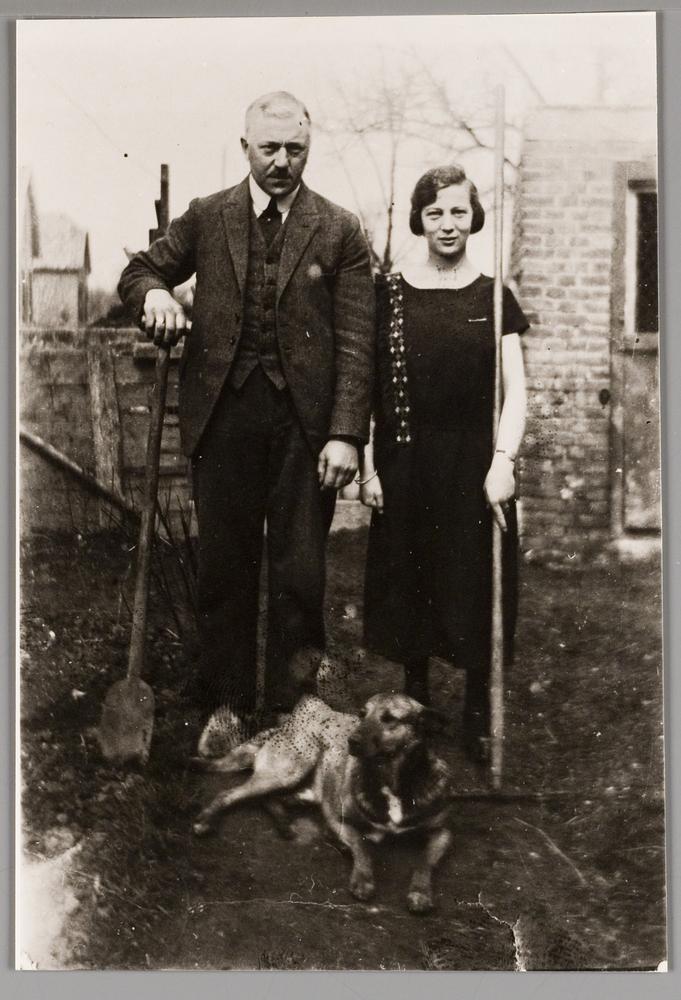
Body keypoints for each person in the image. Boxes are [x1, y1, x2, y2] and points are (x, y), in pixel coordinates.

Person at [118, 92, 375, 733]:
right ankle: (226, 704)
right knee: (224, 567)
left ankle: (295, 710)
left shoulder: (339, 229)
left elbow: (356, 340)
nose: (282, 162)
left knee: (301, 571)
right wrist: (155, 297)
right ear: (245, 147)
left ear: (308, 150)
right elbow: (141, 270)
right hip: (223, 417)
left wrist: (346, 433)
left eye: (295, 149)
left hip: (305, 428)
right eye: (269, 148)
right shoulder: (208, 216)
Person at [359, 164, 528, 763]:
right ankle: (417, 699)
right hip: (406, 461)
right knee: (410, 580)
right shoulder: (388, 295)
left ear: (474, 217)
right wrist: (368, 468)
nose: (448, 224)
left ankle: (479, 713)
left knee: (476, 582)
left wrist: (504, 461)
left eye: (458, 211)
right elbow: (368, 389)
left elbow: (516, 391)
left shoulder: (495, 297)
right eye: (435, 213)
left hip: (474, 466)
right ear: (419, 220)